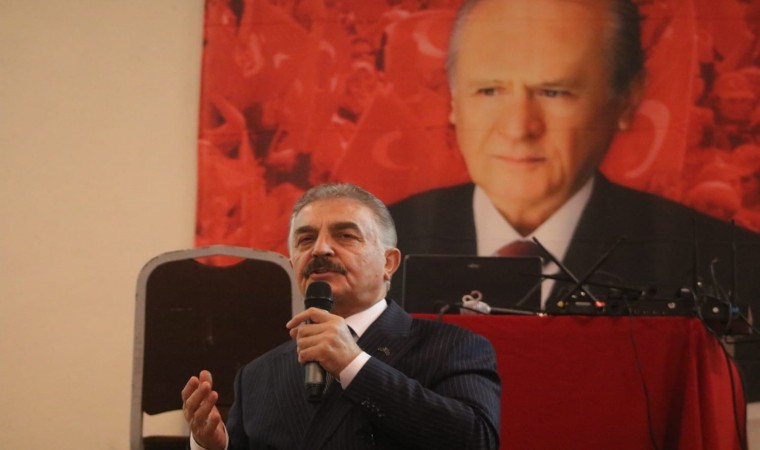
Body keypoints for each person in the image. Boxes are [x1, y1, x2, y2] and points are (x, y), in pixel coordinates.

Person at [387, 0, 760, 315]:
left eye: (554, 92)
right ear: (454, 99)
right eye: (489, 91)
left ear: (627, 99)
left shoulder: (733, 268)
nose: (518, 128)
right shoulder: (373, 250)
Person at [181, 182, 501, 449]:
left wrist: (354, 365)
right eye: (306, 239)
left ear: (388, 263)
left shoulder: (452, 347)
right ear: (293, 265)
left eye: (345, 235)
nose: (320, 249)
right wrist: (211, 447)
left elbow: (477, 440)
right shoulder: (256, 375)